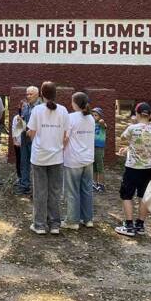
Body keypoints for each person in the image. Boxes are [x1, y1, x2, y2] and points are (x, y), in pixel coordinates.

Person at [27, 82, 70, 235]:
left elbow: (31, 132)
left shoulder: (37, 110)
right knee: (55, 191)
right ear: (55, 94)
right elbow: (66, 135)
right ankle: (55, 224)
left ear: (42, 94)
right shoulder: (63, 110)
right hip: (57, 157)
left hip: (39, 156)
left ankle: (39, 225)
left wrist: (35, 141)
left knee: (40, 191)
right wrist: (59, 146)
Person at [115, 102, 151, 237]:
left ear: (137, 114)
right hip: (148, 168)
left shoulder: (132, 128)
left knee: (126, 195)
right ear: (150, 115)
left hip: (132, 168)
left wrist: (133, 123)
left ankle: (128, 225)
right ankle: (140, 225)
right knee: (143, 196)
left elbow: (122, 138)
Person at [61, 92, 95, 230]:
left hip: (73, 159)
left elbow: (65, 138)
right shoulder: (91, 118)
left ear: (75, 103)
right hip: (88, 159)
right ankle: (87, 219)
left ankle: (72, 220)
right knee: (87, 190)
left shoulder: (70, 118)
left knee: (72, 191)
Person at [16, 86, 41, 195]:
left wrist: (32, 130)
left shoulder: (41, 108)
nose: (28, 96)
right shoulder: (25, 106)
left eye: (31, 94)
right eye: (27, 94)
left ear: (37, 94)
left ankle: (37, 188)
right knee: (24, 162)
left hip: (35, 139)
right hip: (24, 138)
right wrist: (20, 121)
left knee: (36, 164)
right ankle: (24, 185)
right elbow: (24, 121)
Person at [91, 107, 107, 192]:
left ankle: (101, 184)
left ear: (100, 116)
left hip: (99, 148)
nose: (93, 117)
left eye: (96, 115)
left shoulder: (102, 124)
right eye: (92, 115)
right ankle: (94, 183)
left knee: (100, 166)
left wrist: (101, 121)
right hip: (92, 147)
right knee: (94, 166)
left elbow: (103, 124)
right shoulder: (92, 124)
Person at [11, 103, 24, 185]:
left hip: (27, 143)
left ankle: (26, 178)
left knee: (26, 161)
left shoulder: (31, 115)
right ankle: (19, 177)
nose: (24, 108)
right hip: (18, 142)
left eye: (25, 106)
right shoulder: (16, 117)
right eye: (22, 106)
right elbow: (14, 129)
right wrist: (15, 141)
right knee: (19, 160)